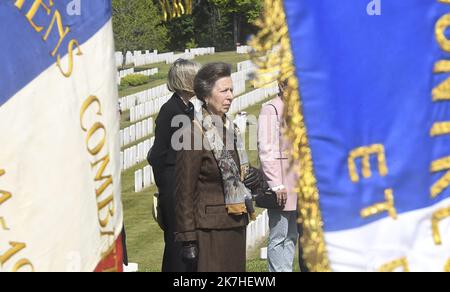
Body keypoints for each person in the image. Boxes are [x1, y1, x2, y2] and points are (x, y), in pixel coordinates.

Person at [174, 62, 260, 272]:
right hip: (209, 231)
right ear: (206, 95)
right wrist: (188, 240)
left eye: (231, 90)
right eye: (223, 91)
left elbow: (237, 172)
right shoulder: (193, 134)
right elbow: (184, 192)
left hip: (236, 223)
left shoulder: (230, 130)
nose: (230, 96)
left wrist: (255, 178)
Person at [148, 59, 200, 272]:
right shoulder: (170, 110)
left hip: (184, 179)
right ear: (186, 80)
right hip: (172, 182)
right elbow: (157, 154)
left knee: (187, 239)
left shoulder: (187, 108)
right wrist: (165, 186)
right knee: (176, 240)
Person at [257, 81, 299, 272]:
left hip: (296, 182)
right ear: (282, 86)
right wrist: (275, 184)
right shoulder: (271, 109)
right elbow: (266, 149)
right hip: (281, 182)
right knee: (278, 235)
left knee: (292, 234)